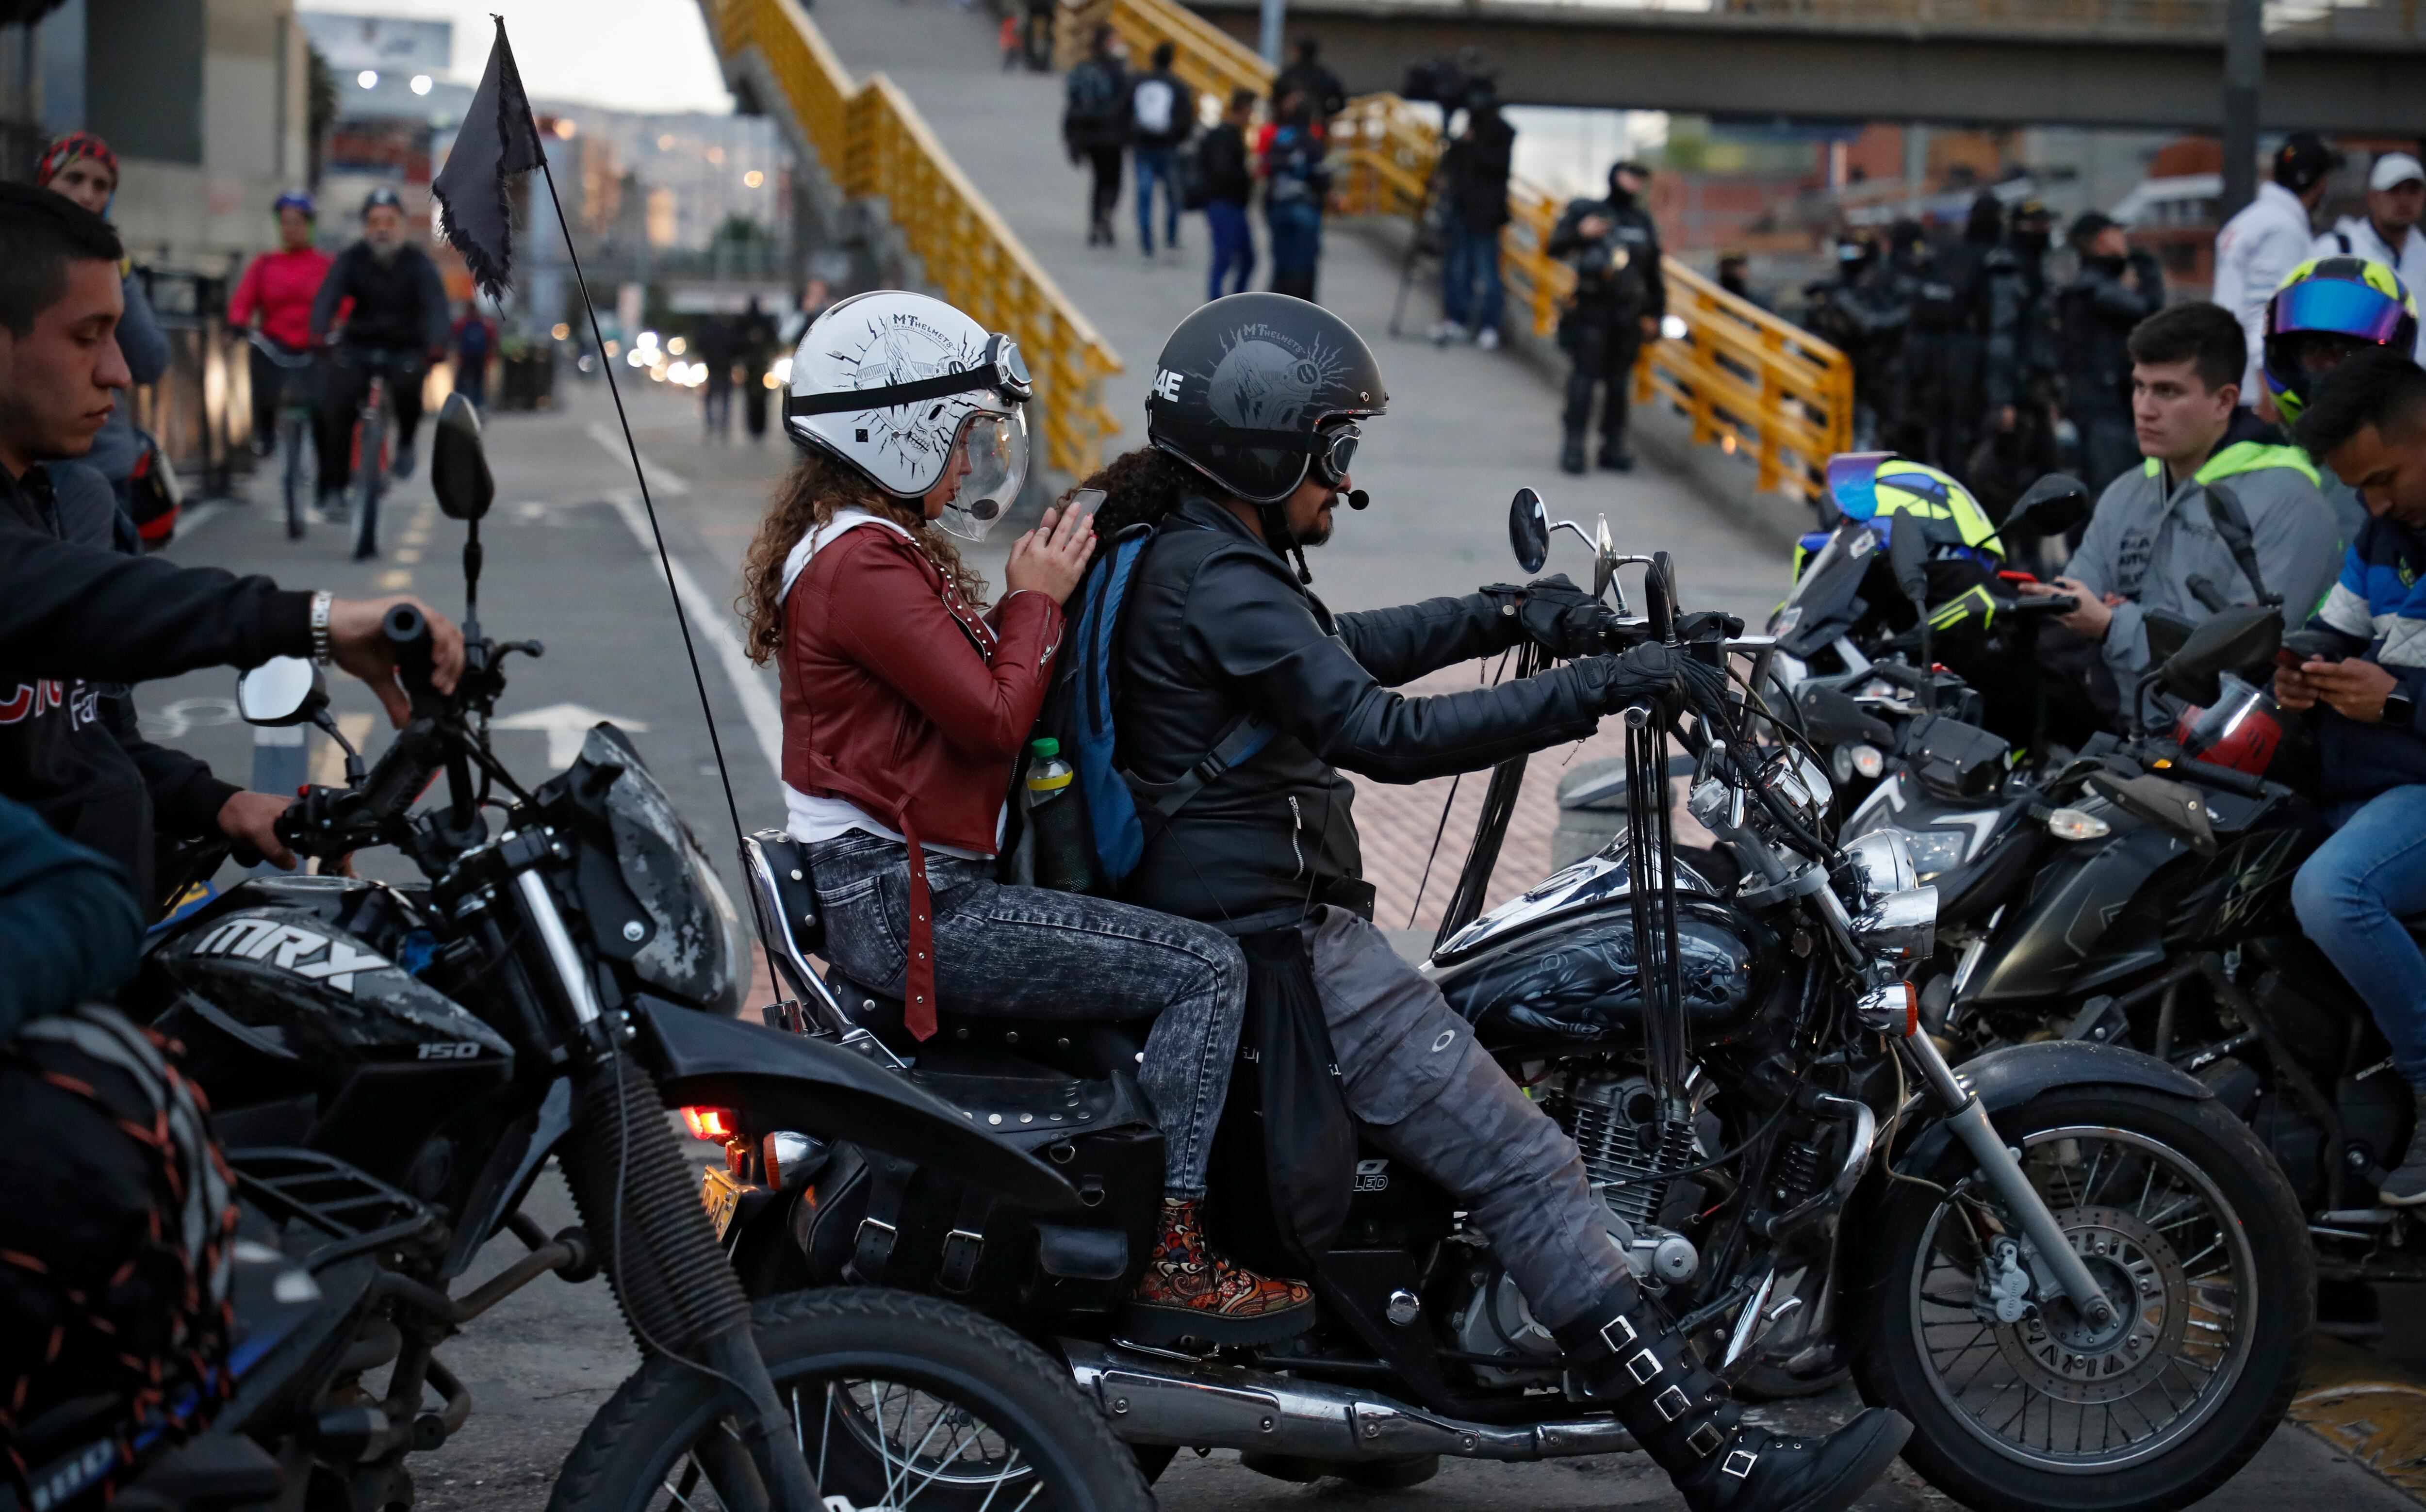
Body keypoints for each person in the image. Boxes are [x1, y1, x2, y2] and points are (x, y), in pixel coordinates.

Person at [1102, 291, 1910, 1512]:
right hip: (1282, 945)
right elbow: (1382, 731)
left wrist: (1505, 611)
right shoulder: (1212, 573)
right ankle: (1718, 1458)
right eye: (1335, 450)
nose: (1344, 481)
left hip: (1250, 924)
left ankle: (1385, 1391)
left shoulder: (1191, 556)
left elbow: (1336, 648)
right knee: (1530, 1165)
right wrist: (1610, 682)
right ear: (1268, 445)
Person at [742, 290, 1305, 1342]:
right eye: (960, 438)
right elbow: (995, 717)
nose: (969, 466)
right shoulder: (862, 561)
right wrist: (1037, 595)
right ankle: (1176, 1254)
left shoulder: (860, 548)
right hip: (918, 905)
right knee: (1202, 967)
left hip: (901, 886)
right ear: (894, 434)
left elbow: (960, 683)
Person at [0, 182, 466, 913]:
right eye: (87, 337)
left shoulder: (64, 501)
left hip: (137, 915)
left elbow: (88, 739)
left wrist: (225, 805)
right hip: (64, 966)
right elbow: (64, 594)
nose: (119, 372)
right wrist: (314, 620)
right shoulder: (37, 554)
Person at [2018, 301, 2338, 725]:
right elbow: (2082, 599)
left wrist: (2115, 623)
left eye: (2168, 391)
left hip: (2224, 752)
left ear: (2225, 401)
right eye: (2139, 386)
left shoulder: (2291, 501)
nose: (2145, 408)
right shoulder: (2127, 489)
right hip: (2111, 720)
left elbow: (2244, 658)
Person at [2280, 352, 2426, 1203]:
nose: (2372, 506)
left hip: (2409, 788)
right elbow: (2331, 635)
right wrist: (2300, 677)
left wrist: (2400, 701)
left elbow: (2391, 693)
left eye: (2382, 478)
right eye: (2357, 489)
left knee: (2334, 893)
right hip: (2360, 786)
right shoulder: (2382, 538)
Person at [36, 132, 168, 515]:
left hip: (105, 467)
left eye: (102, 185)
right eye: (73, 179)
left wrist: (120, 274)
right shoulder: (16, 255)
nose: (87, 196)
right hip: (25, 467)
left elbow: (150, 362)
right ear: (45, 183)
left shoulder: (114, 267)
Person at [2257, 255, 2420, 540]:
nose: (2333, 371)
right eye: (2315, 350)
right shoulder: (2255, 462)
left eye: (2348, 353)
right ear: (2287, 358)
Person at [311, 187, 448, 513]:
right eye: (375, 222)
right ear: (365, 227)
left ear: (402, 225)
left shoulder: (418, 263)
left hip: (405, 347)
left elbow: (436, 306)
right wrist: (318, 332)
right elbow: (328, 295)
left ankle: (405, 443)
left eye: (390, 221)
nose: (382, 228)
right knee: (337, 407)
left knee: (408, 388)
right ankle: (334, 486)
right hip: (359, 345)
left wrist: (437, 344)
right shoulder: (352, 258)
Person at [1548, 161, 1665, 473]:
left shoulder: (1641, 221)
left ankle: (1612, 446)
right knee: (1583, 382)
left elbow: (1653, 273)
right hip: (1591, 309)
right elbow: (1554, 246)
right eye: (1629, 176)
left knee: (1618, 385)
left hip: (1627, 314)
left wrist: (1656, 314)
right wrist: (1580, 233)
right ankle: (1574, 447)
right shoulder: (1590, 211)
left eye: (1639, 178)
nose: (1633, 183)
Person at [2215, 132, 2337, 402]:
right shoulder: (2283, 228)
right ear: (2321, 184)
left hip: (2231, 381)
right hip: (2256, 393)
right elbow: (2264, 308)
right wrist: (2269, 385)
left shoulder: (2251, 219)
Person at [2054, 211, 2164, 493]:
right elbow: (2152, 314)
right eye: (2116, 233)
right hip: (2104, 406)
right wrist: (2146, 266)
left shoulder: (2096, 285)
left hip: (2103, 402)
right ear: (2102, 241)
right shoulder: (2096, 290)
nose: (2123, 239)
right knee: (2111, 488)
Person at [1972, 199, 2063, 520]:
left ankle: (2030, 550)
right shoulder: (2008, 271)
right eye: (2039, 227)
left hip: (2035, 390)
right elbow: (2002, 336)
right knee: (2005, 481)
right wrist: (2002, 401)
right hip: (2015, 393)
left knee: (2044, 475)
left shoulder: (2039, 270)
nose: (2047, 233)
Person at [229, 190, 333, 457]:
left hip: (315, 344)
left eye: (297, 223)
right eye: (285, 222)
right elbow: (243, 300)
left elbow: (343, 301)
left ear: (309, 226)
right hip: (275, 345)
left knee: (327, 402)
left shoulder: (326, 266)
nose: (291, 229)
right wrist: (238, 322)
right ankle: (264, 433)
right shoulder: (264, 265)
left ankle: (328, 457)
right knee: (258, 369)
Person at [1902, 195, 1999, 474]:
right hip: (1969, 362)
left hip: (1933, 365)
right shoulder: (1993, 259)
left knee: (1939, 437)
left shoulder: (1946, 256)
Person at [2313, 151, 2426, 362]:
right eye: (2394, 191)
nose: (2404, 201)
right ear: (2372, 198)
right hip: (2357, 386)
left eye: (2413, 190)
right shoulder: (2336, 250)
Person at [1434, 83, 1514, 350]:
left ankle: (1490, 326)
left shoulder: (1501, 132)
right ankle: (1456, 319)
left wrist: (1470, 144)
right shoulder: (1466, 133)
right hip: (1461, 209)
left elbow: (1496, 166)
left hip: (1487, 214)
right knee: (1457, 269)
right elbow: (1450, 164)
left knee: (1487, 272)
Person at [1258, 85, 1329, 302]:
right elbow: (1321, 178)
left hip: (1278, 208)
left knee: (1281, 264)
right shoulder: (1312, 141)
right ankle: (1303, 310)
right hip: (1304, 209)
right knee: (1304, 267)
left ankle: (1276, 307)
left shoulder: (1280, 138)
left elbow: (1268, 170)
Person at [1063, 25, 1130, 248]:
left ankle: (1095, 222)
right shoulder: (1117, 70)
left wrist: (1072, 139)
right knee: (1114, 180)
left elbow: (1071, 105)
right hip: (1111, 136)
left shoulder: (1083, 69)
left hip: (1088, 136)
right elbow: (1125, 104)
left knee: (1099, 180)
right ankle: (1107, 213)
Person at [1128, 41, 1194, 259]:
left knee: (1144, 194)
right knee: (1174, 196)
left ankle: (1147, 240)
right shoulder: (1178, 85)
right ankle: (1171, 238)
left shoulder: (1139, 82)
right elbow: (1187, 116)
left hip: (1143, 147)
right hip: (1169, 147)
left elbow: (1126, 109)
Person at [1200, 88, 1258, 302]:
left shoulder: (1231, 135)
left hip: (1232, 203)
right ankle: (1217, 303)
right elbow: (1220, 170)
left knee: (1246, 258)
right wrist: (1247, 175)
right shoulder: (1223, 136)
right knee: (1224, 257)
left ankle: (1234, 301)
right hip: (1223, 202)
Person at [1274, 37, 1345, 121]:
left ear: (1298, 52)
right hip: (1317, 125)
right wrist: (1325, 112)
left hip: (1290, 124)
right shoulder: (1326, 75)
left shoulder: (1289, 74)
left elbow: (1275, 98)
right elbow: (1341, 102)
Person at [740, 295, 780, 441]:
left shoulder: (746, 322)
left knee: (754, 400)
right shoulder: (763, 322)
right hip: (759, 367)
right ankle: (758, 428)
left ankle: (755, 428)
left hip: (756, 367)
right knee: (759, 400)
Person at [698, 312, 740, 439]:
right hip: (725, 370)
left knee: (710, 399)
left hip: (712, 370)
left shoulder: (707, 332)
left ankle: (711, 425)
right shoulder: (727, 333)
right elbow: (736, 348)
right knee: (725, 400)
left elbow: (699, 344)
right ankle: (724, 427)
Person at [452, 298, 496, 411]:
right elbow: (492, 341)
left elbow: (453, 336)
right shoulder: (485, 324)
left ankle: (461, 406)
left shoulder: (462, 323)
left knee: (465, 385)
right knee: (477, 385)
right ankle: (477, 406)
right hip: (478, 359)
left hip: (468, 359)